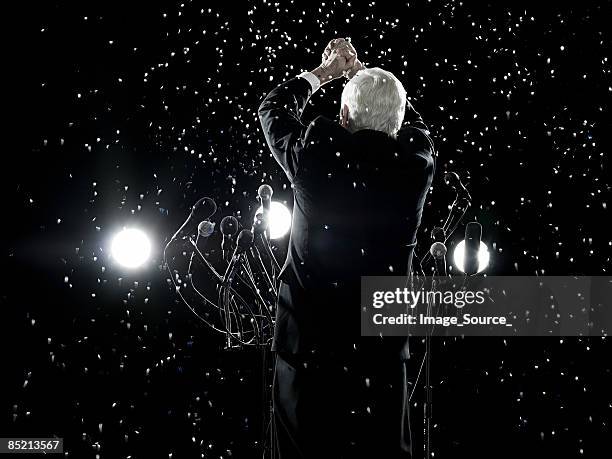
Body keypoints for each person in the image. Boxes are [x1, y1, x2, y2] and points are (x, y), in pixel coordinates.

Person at [258, 38, 435, 458]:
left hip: (309, 352)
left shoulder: (317, 153)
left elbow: (273, 109)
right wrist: (364, 75)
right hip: (381, 354)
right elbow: (413, 124)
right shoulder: (415, 165)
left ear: (341, 114)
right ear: (399, 119)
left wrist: (328, 72)